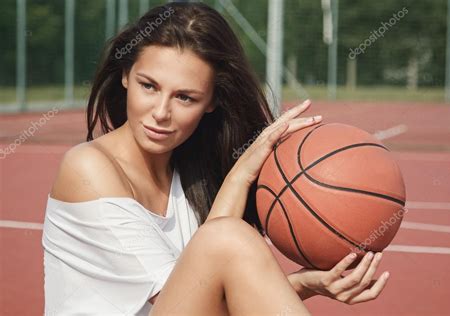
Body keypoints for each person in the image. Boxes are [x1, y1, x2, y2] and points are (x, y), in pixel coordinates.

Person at [42, 2, 389, 315]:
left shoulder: (193, 179)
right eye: (148, 86)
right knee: (228, 237)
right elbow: (184, 301)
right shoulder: (87, 167)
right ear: (124, 76)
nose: (161, 112)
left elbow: (206, 291)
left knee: (226, 236)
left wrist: (305, 283)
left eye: (185, 97)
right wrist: (244, 170)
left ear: (211, 102)